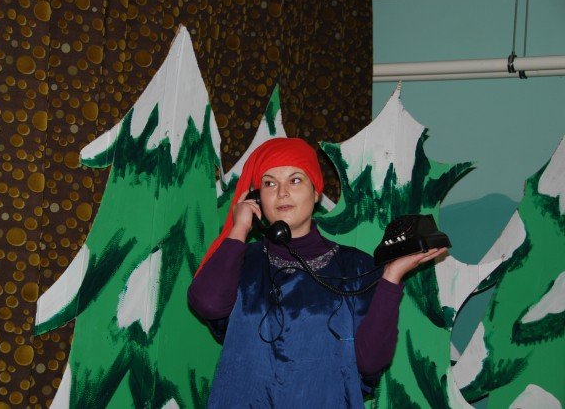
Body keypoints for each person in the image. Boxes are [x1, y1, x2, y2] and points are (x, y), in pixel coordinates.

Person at [188, 138, 447, 408]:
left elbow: (370, 362)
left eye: (295, 180)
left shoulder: (356, 268)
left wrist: (391, 278)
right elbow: (208, 304)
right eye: (270, 183)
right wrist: (239, 228)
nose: (282, 193)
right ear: (256, 198)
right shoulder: (239, 260)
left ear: (315, 193)